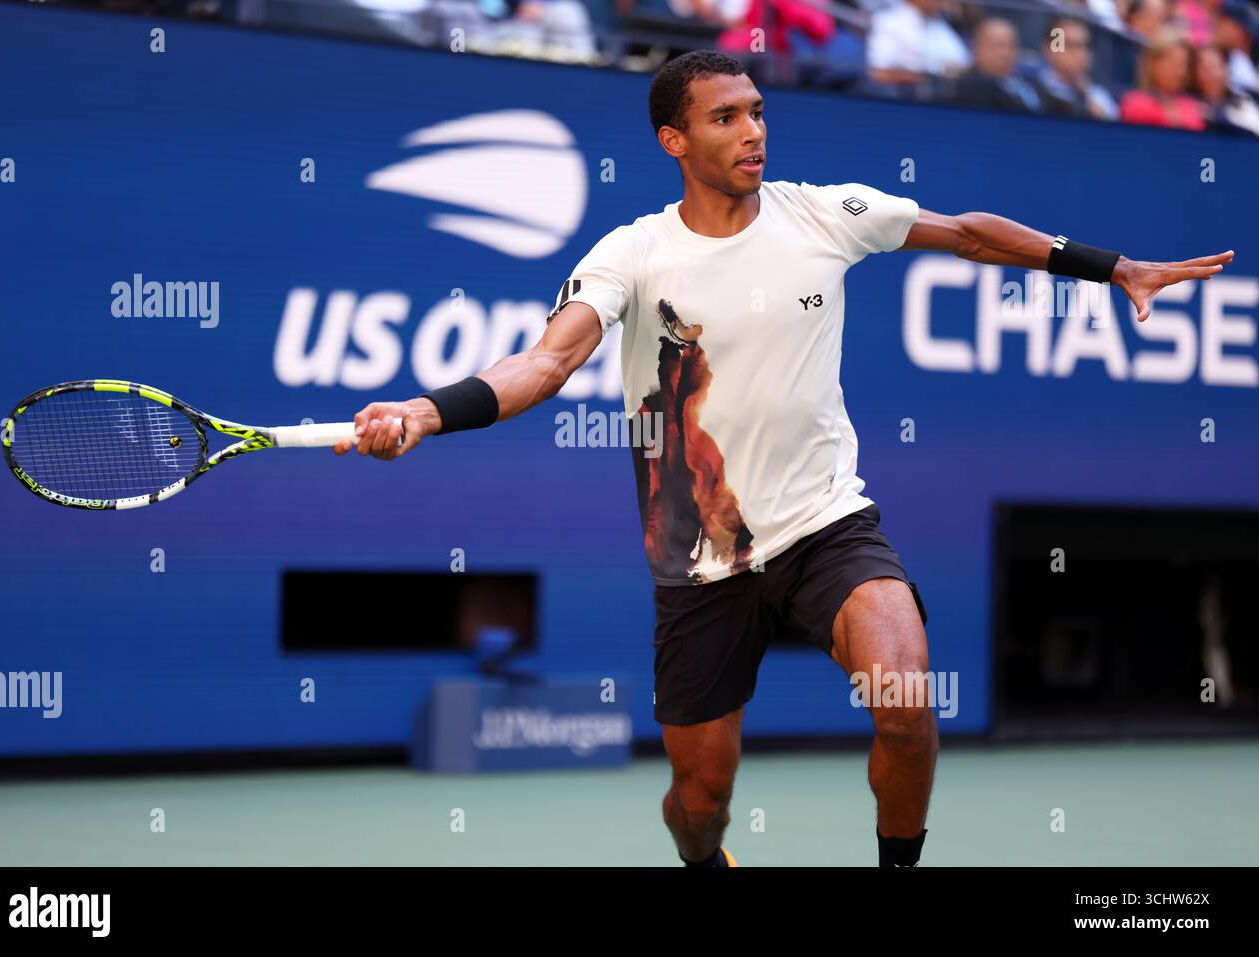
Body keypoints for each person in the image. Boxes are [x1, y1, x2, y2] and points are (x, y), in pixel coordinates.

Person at [333, 50, 1233, 867]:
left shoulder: (825, 213)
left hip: (827, 525)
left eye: (758, 110)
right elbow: (545, 361)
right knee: (701, 803)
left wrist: (1112, 267)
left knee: (906, 701)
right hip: (698, 558)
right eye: (725, 116)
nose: (753, 129)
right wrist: (425, 410)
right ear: (672, 139)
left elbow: (966, 232)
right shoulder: (631, 254)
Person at [865, 0, 971, 96]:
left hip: (947, 100)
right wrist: (928, 78)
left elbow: (964, 65)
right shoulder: (888, 22)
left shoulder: (942, 27)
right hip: (904, 100)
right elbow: (878, 73)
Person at [1030, 14, 1120, 119]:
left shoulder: (1097, 95)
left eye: (1084, 46)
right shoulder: (1032, 90)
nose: (1081, 54)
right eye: (1072, 45)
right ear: (1049, 49)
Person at [949, 18, 1044, 112]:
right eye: (997, 46)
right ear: (977, 48)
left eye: (1011, 45)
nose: (1005, 53)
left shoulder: (1030, 81)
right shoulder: (971, 87)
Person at [1120, 27, 1208, 128]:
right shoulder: (1134, 103)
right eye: (1175, 64)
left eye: (1184, 66)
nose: (1182, 73)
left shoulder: (1191, 106)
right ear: (1153, 63)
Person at [1192, 40, 1259, 132]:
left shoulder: (1243, 102)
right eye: (1206, 68)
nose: (1214, 74)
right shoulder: (1189, 105)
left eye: (1218, 66)